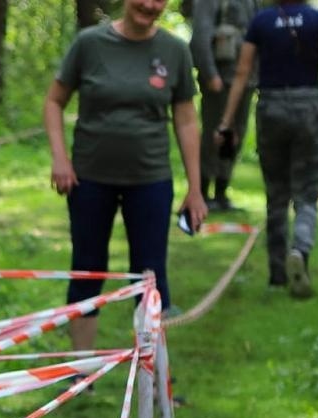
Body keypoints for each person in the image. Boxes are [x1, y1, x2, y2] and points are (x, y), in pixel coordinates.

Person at [43, 0, 204, 351]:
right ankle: (79, 372)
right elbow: (54, 101)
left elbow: (187, 120)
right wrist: (60, 158)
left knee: (151, 277)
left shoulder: (174, 50)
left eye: (159, 0)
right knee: (87, 269)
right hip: (89, 178)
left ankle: (156, 380)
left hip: (150, 179)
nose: (149, 5)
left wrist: (196, 188)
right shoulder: (89, 43)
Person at [217, 0, 318, 298]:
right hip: (310, 108)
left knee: (276, 196)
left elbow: (242, 72)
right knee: (306, 194)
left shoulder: (261, 21)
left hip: (271, 108)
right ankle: (300, 250)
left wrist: (227, 122)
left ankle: (277, 275)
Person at [190, 0, 257, 210]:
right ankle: (202, 192)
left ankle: (221, 192)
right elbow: (201, 35)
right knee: (214, 135)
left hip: (245, 79)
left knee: (235, 136)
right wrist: (210, 73)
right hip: (220, 79)